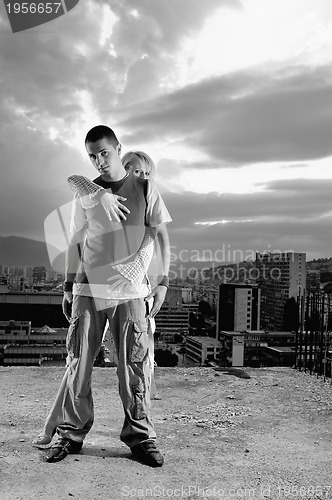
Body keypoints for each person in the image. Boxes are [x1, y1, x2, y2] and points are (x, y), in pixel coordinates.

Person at [33, 125, 171, 467]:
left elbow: (162, 237)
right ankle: (70, 434)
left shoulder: (146, 187)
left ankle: (141, 437)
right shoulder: (86, 193)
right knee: (79, 364)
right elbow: (75, 242)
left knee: (134, 366)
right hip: (88, 290)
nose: (99, 161)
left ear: (118, 148)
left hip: (131, 292)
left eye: (104, 153)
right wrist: (68, 286)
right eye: (92, 155)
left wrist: (163, 282)